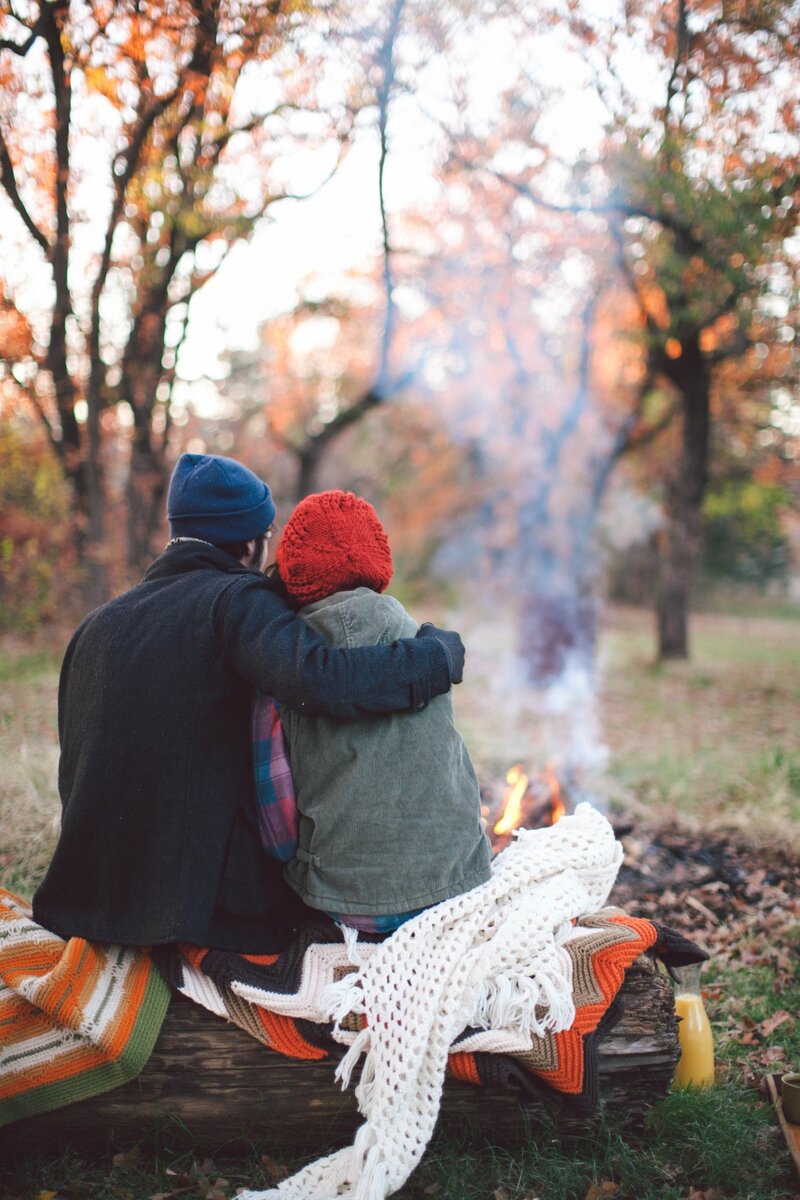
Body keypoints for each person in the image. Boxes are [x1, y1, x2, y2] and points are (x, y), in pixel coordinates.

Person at [31, 454, 465, 955]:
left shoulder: (95, 626)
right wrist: (436, 656)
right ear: (250, 543)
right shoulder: (235, 602)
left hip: (89, 896)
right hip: (196, 909)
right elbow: (322, 680)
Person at [260, 489, 492, 932]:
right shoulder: (427, 648)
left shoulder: (282, 667)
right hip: (459, 886)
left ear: (293, 573)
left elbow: (277, 823)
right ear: (377, 565)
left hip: (351, 902)